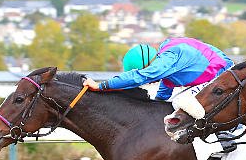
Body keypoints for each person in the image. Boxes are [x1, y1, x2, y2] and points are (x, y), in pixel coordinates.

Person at [83, 37, 233, 113]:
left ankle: (224, 139)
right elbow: (162, 96)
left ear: (146, 65)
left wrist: (101, 86)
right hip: (219, 74)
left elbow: (140, 77)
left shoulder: (167, 58)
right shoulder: (168, 66)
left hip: (223, 76)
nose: (148, 84)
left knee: (181, 103)